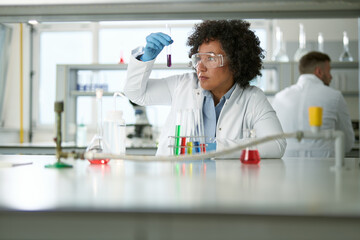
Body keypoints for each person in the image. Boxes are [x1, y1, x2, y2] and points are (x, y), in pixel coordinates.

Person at [124, 20, 286, 158]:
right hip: (176, 184)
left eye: (210, 58)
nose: (200, 67)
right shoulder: (183, 85)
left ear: (236, 64)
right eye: (198, 58)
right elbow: (136, 94)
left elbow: (275, 144)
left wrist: (214, 148)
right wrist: (146, 58)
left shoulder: (252, 98)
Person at [272, 51, 354, 157]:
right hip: (325, 170)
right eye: (329, 71)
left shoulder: (279, 97)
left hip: (286, 169)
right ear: (319, 72)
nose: (331, 77)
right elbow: (347, 143)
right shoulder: (335, 96)